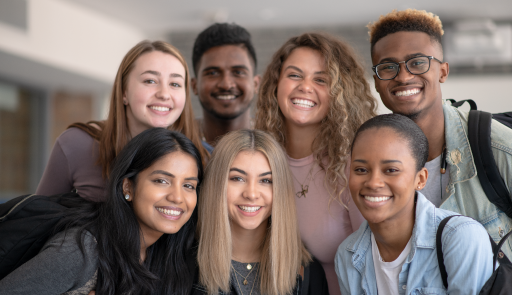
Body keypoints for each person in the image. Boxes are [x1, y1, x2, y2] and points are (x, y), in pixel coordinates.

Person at [367, 9, 512, 257]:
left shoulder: (496, 145)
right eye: (388, 67)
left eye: (418, 62)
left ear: (443, 71)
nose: (403, 76)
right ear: (377, 81)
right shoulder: (372, 159)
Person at [0, 128, 203, 294]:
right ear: (128, 187)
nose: (177, 197)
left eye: (189, 186)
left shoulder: (171, 257)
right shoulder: (82, 251)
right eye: (161, 181)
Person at [255, 32, 378, 295]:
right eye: (295, 75)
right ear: (276, 83)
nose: (305, 86)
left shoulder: (353, 168)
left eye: (321, 79)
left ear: (339, 93)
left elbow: (376, 266)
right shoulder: (258, 161)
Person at [335, 114, 493, 294]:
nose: (373, 183)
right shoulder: (347, 255)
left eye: (391, 170)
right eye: (361, 170)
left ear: (420, 179)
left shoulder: (461, 238)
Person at [36, 40, 209, 202]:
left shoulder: (202, 157)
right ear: (124, 92)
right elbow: (39, 221)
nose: (164, 94)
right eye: (150, 81)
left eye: (175, 84)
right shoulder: (77, 144)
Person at [194, 129, 328, 295]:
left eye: (266, 180)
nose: (251, 194)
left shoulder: (306, 272)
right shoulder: (182, 264)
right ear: (216, 184)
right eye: (237, 178)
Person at [191, 23, 260, 147]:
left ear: (256, 84)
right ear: (194, 85)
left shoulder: (278, 142)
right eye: (212, 73)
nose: (226, 85)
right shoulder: (173, 144)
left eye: (238, 72)